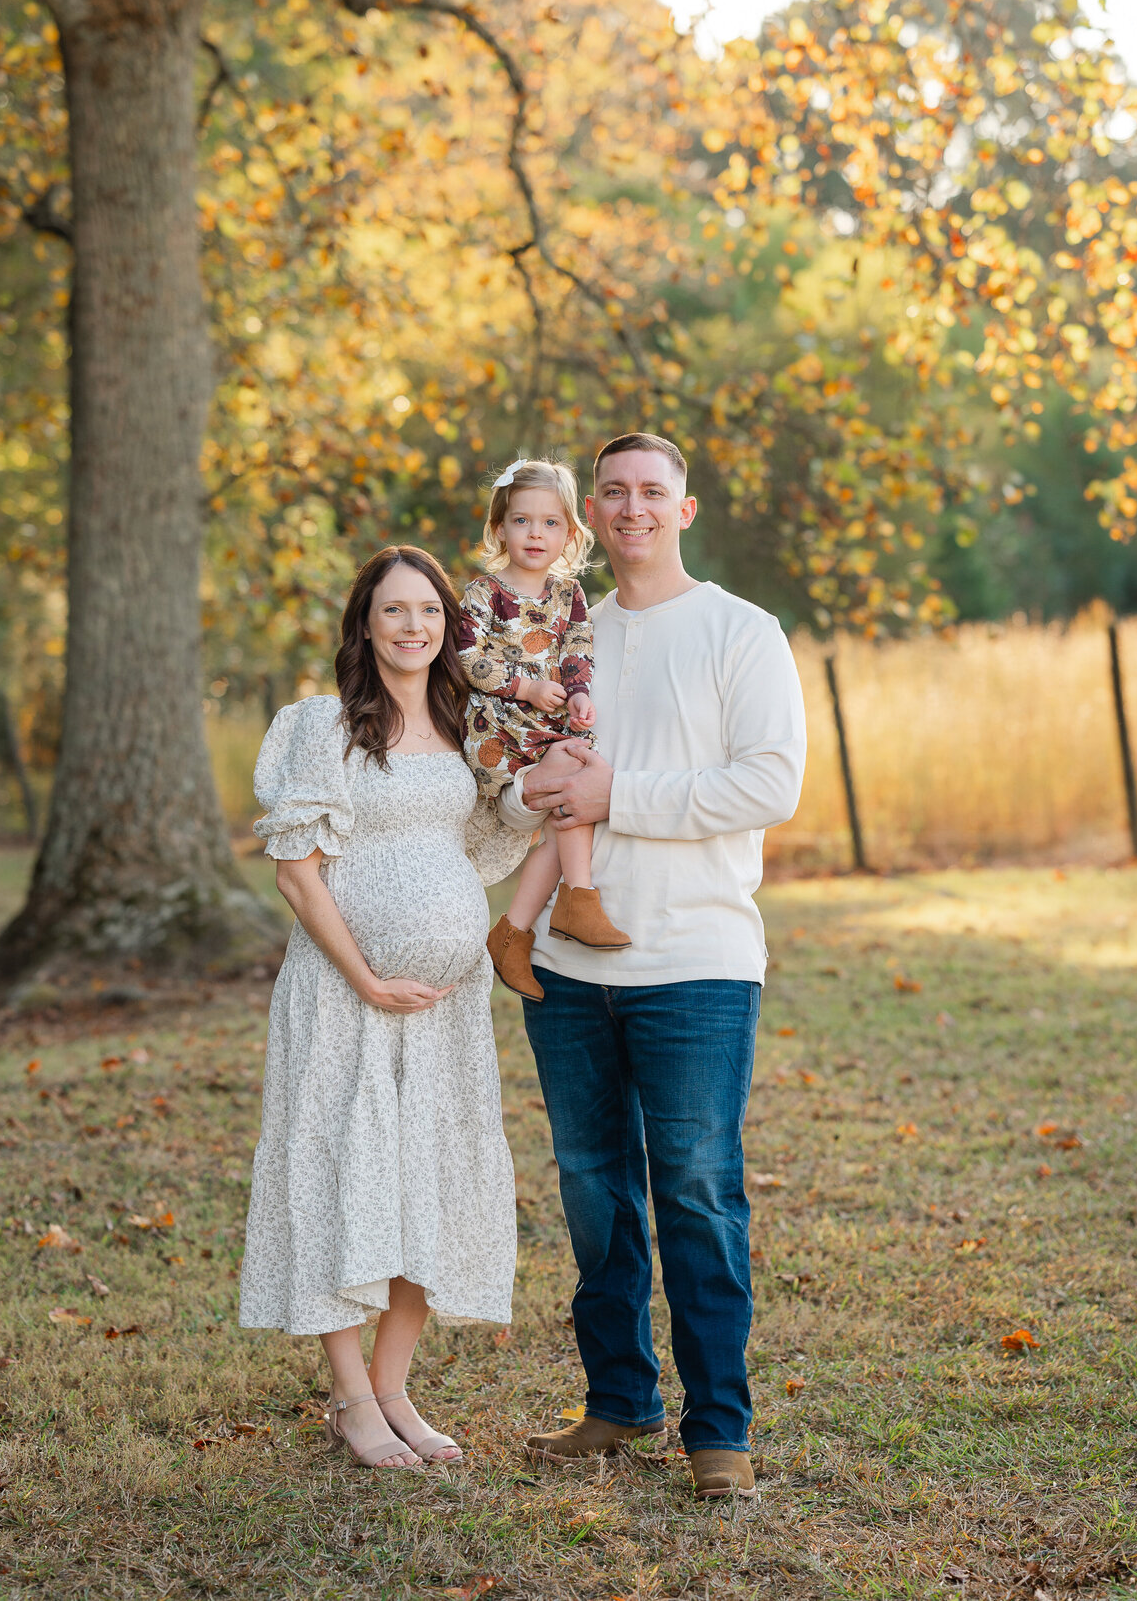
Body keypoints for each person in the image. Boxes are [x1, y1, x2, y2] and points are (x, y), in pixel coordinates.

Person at [497, 433, 806, 1503]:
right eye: (614, 492)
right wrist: (531, 795)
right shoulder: (557, 635)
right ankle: (620, 1401)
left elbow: (771, 782)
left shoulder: (739, 631)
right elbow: (513, 774)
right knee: (594, 1195)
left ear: (685, 508)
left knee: (698, 1191)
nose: (633, 507)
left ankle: (720, 1428)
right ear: (592, 509)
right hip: (569, 971)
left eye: (652, 492)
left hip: (697, 961)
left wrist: (614, 795)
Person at [239, 545, 527, 1471]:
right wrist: (366, 976)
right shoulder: (322, 728)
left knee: (425, 1183)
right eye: (395, 611)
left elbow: (484, 839)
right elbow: (297, 874)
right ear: (365, 623)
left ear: (451, 626)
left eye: (431, 612)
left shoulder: (463, 722)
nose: (414, 627)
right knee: (339, 1174)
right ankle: (352, 1400)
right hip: (342, 997)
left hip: (443, 1008)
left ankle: (397, 1389)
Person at [458, 457, 630, 1003]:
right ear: (499, 528)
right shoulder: (483, 595)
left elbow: (578, 648)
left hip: (548, 727)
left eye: (550, 523)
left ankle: (518, 929)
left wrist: (578, 693)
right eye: (522, 521)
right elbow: (466, 657)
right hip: (499, 731)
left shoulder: (569, 596)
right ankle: (577, 900)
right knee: (575, 782)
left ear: (571, 534)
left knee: (574, 790)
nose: (536, 534)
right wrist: (525, 688)